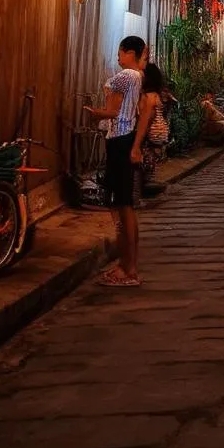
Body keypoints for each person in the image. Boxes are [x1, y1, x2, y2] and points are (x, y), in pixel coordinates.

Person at [85, 36, 145, 287]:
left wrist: (91, 112)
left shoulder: (123, 77)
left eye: (120, 52)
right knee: (125, 206)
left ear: (129, 52)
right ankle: (127, 266)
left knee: (122, 206)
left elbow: (111, 112)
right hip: (126, 138)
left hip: (119, 141)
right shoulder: (139, 77)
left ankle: (127, 269)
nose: (118, 57)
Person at [138, 63, 170, 188]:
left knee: (144, 155)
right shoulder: (157, 94)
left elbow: (148, 118)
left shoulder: (149, 96)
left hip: (153, 131)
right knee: (150, 156)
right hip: (161, 131)